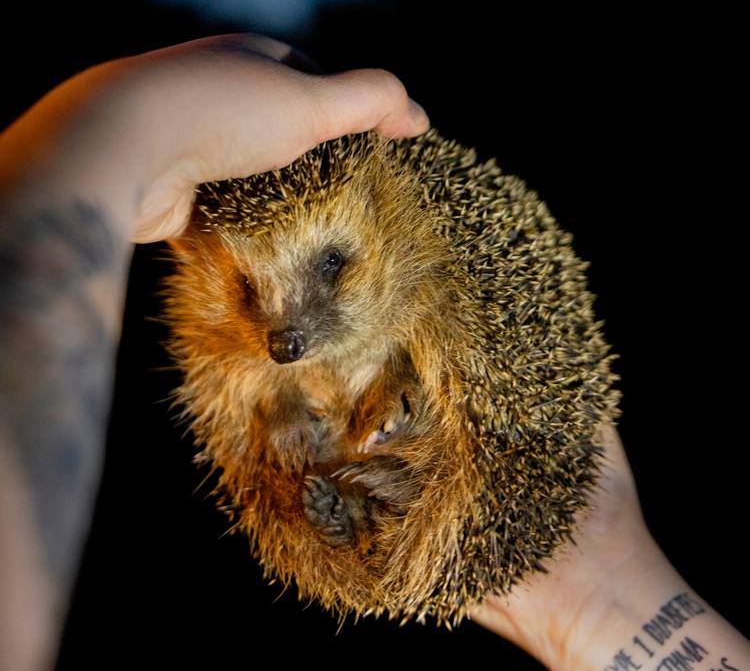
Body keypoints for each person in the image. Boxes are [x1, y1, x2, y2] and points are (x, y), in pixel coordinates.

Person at [0, 35, 747, 671]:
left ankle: (397, 470)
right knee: (271, 454)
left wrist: (115, 127)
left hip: (442, 452)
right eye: (254, 292)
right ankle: (374, 482)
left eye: (329, 266)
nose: (285, 331)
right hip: (353, 456)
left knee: (434, 420)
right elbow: (245, 397)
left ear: (387, 210)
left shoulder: (429, 254)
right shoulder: (240, 326)